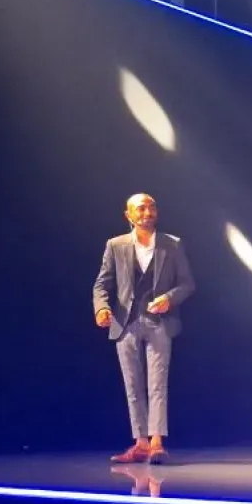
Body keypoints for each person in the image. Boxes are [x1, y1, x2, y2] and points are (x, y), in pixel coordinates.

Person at [92, 193, 196, 465]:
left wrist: (168, 299)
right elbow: (102, 284)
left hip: (159, 322)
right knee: (133, 384)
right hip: (126, 323)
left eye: (151, 207)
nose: (147, 212)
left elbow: (187, 283)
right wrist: (102, 308)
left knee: (157, 383)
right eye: (141, 208)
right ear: (128, 215)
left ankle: (157, 442)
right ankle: (140, 442)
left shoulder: (172, 244)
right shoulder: (115, 245)